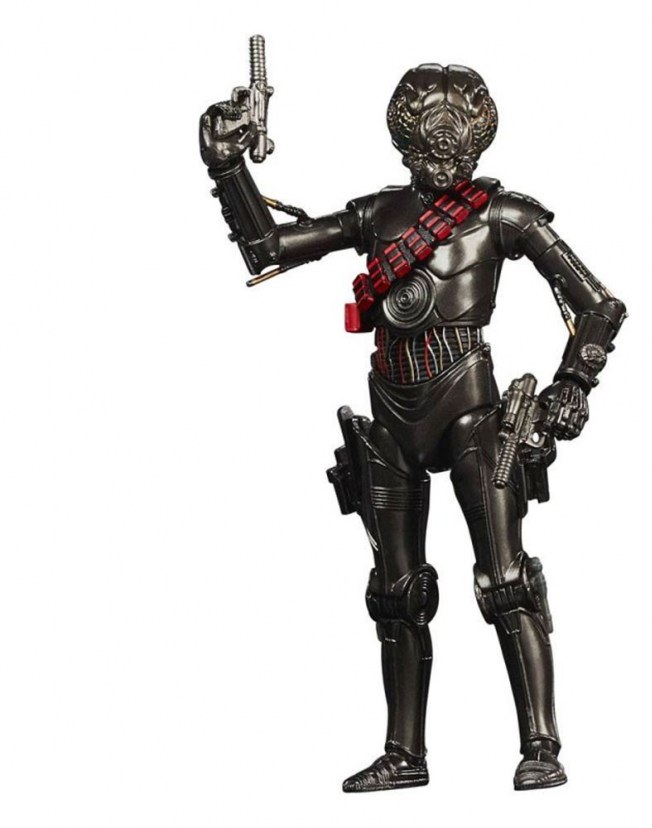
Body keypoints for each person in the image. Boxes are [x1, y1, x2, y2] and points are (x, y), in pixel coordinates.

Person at [200, 63, 626, 792]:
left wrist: (571, 385)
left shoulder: (504, 215)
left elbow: (599, 306)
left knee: (506, 581)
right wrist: (227, 166)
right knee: (396, 594)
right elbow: (268, 249)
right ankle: (404, 754)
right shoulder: (381, 215)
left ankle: (540, 744)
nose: (443, 145)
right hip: (392, 412)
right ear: (405, 137)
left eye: (455, 132)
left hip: (471, 411)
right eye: (429, 133)